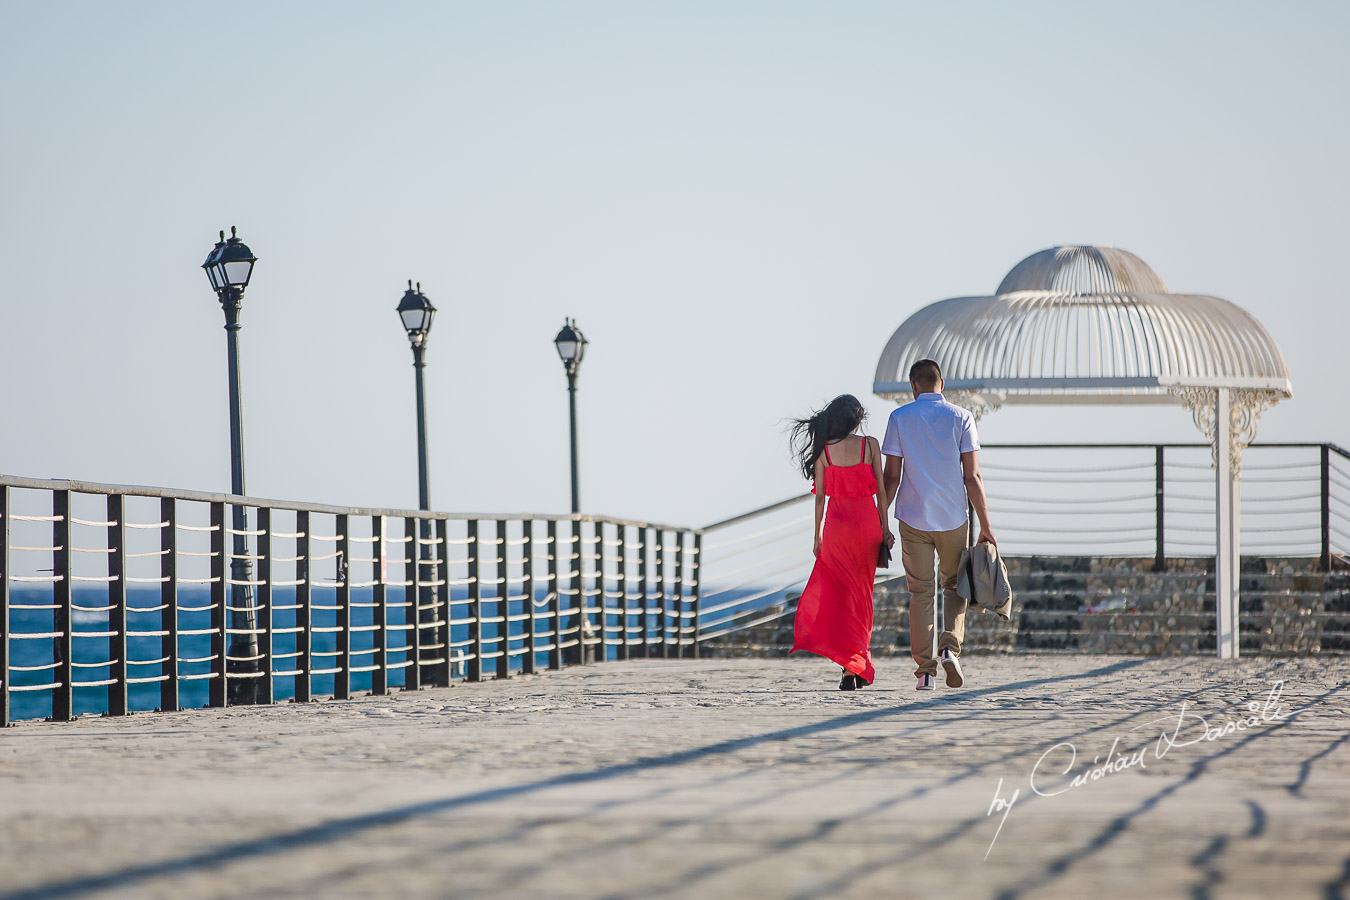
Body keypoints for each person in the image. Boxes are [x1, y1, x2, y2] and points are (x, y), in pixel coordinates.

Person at [881, 360, 995, 691]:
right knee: (954, 586)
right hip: (953, 518)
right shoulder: (962, 417)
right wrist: (986, 525)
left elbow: (891, 476)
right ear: (941, 383)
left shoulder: (899, 418)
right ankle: (949, 646)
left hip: (912, 517)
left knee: (920, 592)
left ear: (913, 386)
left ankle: (926, 672)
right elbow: (971, 476)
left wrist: (878, 520)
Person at [789, 394, 895, 690]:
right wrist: (886, 529)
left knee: (841, 598)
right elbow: (882, 493)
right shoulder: (869, 445)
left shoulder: (824, 450)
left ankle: (851, 666)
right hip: (866, 525)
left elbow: (821, 497)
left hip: (836, 528)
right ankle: (856, 665)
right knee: (862, 597)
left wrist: (817, 535)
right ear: (857, 420)